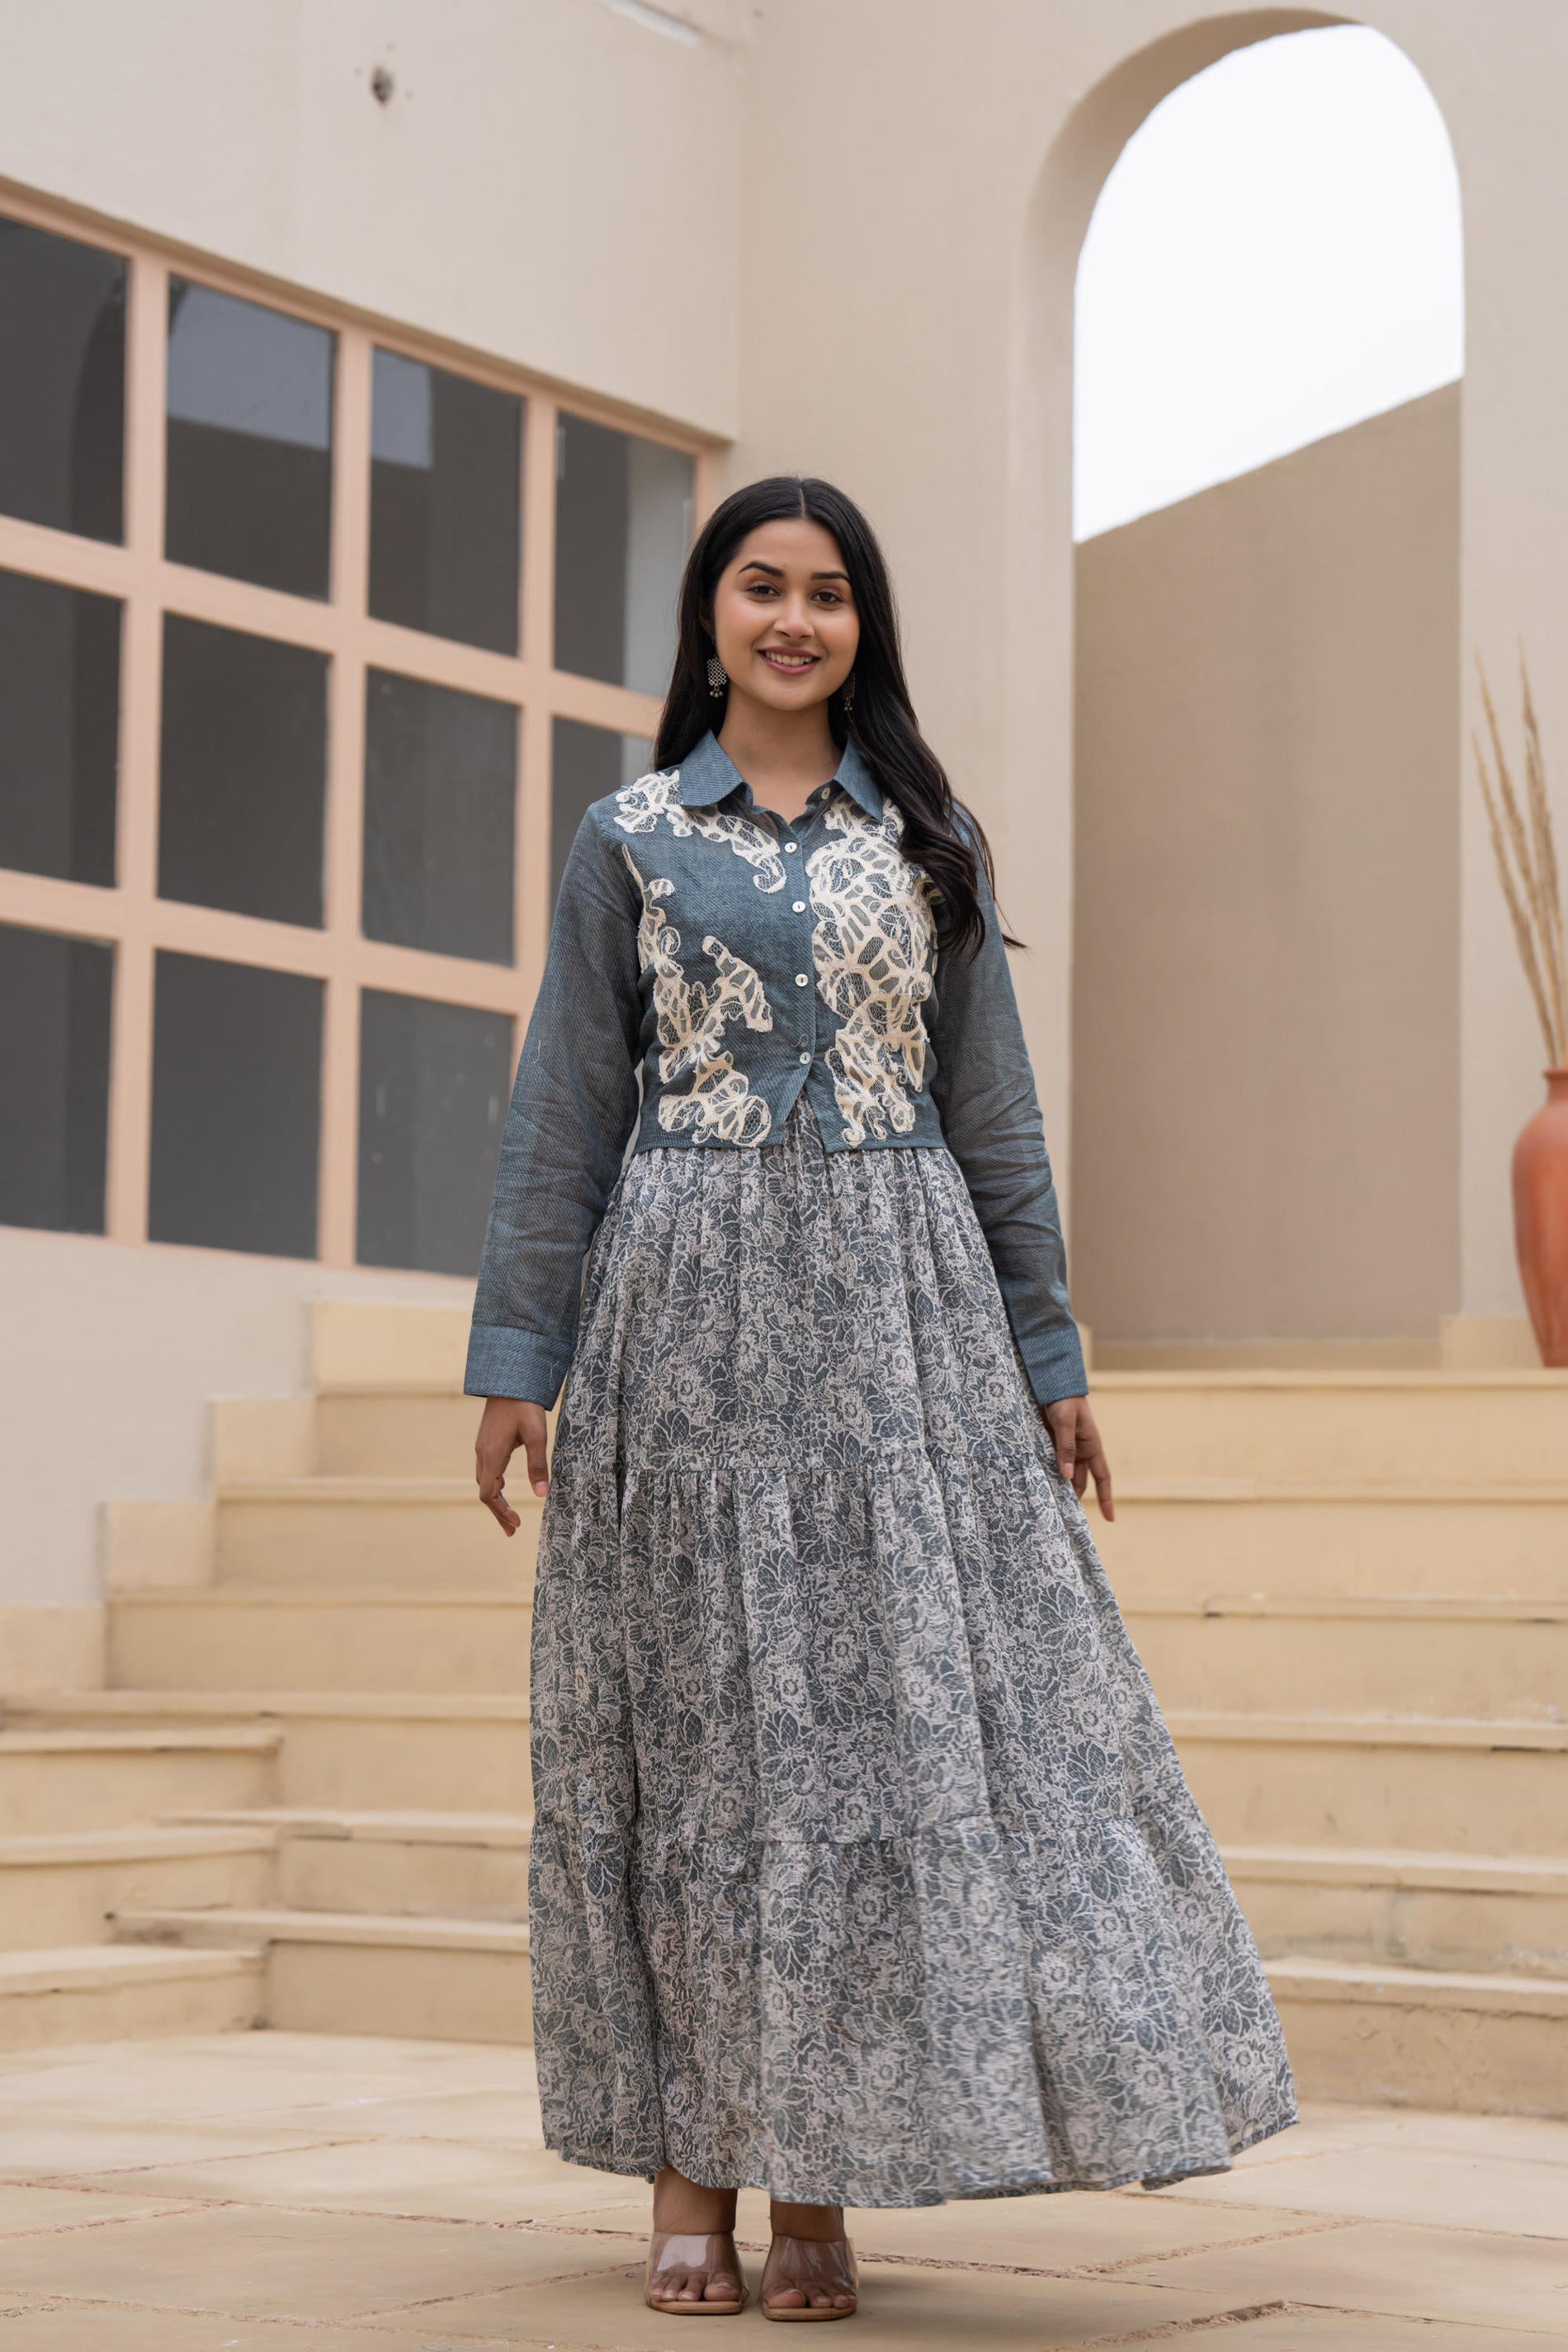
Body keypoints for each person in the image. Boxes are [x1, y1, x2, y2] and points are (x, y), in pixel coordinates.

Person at [467, 475, 1295, 2322]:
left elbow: (993, 1124)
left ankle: (819, 2179)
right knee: (696, 1746)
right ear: (706, 618)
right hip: (680, 1332)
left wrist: (1051, 1359)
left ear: (862, 630)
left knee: (864, 1748)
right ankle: (691, 2170)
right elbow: (559, 1116)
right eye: (759, 588)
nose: (791, 620)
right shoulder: (622, 839)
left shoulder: (927, 842)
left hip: (899, 1344)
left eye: (826, 594)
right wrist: (518, 1366)